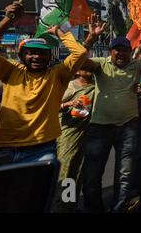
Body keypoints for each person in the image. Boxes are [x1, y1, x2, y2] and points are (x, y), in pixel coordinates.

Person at [0, 1, 88, 165]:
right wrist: (8, 19)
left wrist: (60, 32)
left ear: (49, 57)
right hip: (5, 147)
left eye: (42, 53)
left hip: (42, 149)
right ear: (22, 56)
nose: (37, 57)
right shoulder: (10, 71)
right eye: (31, 53)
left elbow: (79, 52)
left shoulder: (58, 75)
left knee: (40, 191)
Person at [80, 15, 141, 213]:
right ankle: (94, 209)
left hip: (128, 128)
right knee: (92, 176)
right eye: (117, 49)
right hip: (99, 128)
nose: (120, 53)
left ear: (130, 51)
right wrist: (90, 39)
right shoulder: (100, 64)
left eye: (124, 49)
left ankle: (117, 209)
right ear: (111, 51)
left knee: (125, 175)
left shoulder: (137, 65)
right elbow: (78, 63)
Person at [53, 69, 95, 213]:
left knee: (77, 172)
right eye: (84, 66)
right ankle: (60, 208)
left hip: (84, 136)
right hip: (68, 136)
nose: (88, 69)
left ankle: (70, 206)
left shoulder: (95, 86)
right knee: (66, 172)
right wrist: (69, 103)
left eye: (89, 66)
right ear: (77, 71)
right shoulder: (70, 86)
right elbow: (51, 106)